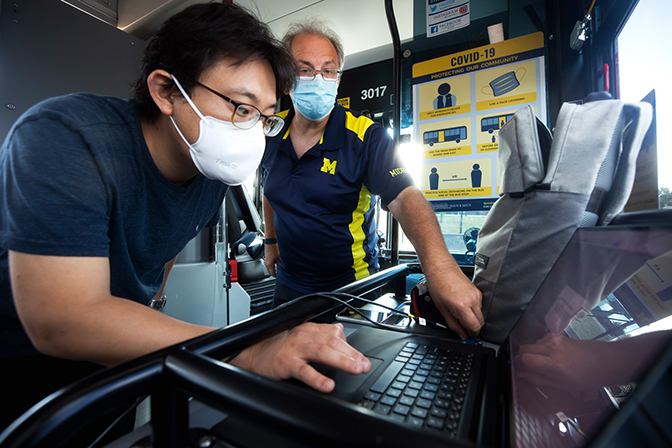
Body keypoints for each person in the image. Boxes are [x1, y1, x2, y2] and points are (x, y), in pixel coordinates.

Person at [0, 3, 371, 433]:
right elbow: (63, 319)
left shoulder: (208, 169)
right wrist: (244, 351)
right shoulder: (67, 136)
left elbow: (166, 242)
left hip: (114, 361)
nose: (251, 133)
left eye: (265, 118)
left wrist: (151, 309)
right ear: (166, 91)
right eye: (242, 107)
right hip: (19, 366)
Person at [261, 18, 483, 341]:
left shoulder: (365, 137)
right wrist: (270, 240)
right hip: (288, 288)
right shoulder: (269, 131)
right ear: (285, 80)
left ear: (337, 80)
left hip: (349, 292)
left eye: (328, 70)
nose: (318, 79)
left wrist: (440, 268)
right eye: (305, 69)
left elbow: (406, 197)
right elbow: (270, 185)